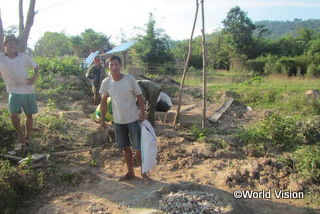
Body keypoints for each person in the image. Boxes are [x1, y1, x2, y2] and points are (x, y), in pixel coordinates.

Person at [99, 55, 150, 181]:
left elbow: (139, 96)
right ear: (108, 67)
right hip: (118, 121)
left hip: (132, 119)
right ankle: (130, 172)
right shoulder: (106, 82)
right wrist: (102, 120)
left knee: (138, 148)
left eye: (116, 64)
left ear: (120, 66)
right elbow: (103, 102)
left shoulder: (129, 79)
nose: (114, 67)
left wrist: (142, 113)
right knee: (125, 148)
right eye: (111, 65)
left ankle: (144, 172)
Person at [0, 35, 39, 150]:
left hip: (27, 90)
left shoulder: (24, 57)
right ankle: (20, 132)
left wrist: (34, 78)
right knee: (14, 114)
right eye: (10, 44)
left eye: (15, 44)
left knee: (29, 115)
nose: (13, 46)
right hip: (13, 91)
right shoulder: (1, 58)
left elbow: (36, 66)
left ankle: (28, 136)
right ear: (4, 45)